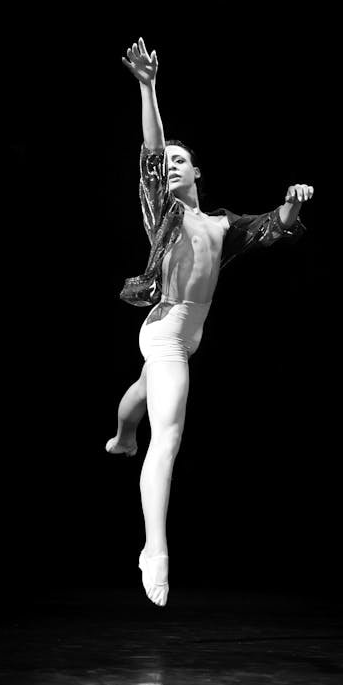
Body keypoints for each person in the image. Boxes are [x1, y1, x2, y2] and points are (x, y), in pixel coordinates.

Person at [106, 37, 314, 607]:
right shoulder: (164, 210)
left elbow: (273, 225)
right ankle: (155, 550)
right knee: (167, 440)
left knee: (143, 393)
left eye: (180, 160)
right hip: (168, 332)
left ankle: (123, 435)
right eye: (164, 163)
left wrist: (293, 202)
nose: (168, 166)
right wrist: (148, 87)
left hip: (180, 340)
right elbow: (149, 151)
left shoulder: (222, 226)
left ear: (198, 170)